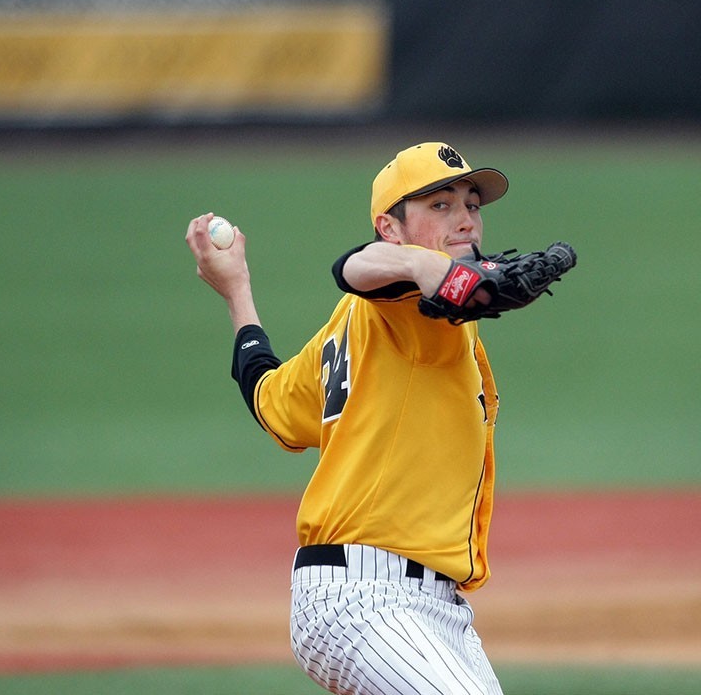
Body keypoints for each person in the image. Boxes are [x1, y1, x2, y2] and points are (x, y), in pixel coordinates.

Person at [185, 142, 515, 694]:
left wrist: (237, 291)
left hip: (423, 610)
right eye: (439, 205)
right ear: (390, 228)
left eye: (471, 205)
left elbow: (270, 400)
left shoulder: (358, 325)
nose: (464, 219)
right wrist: (419, 264)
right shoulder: (412, 302)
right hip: (369, 599)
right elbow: (355, 267)